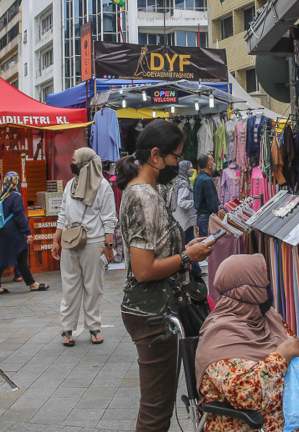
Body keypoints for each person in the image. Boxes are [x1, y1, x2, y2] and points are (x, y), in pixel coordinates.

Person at [117, 119, 214, 431]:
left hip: (153, 310)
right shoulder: (142, 196)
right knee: (156, 411)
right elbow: (144, 269)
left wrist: (186, 248)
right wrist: (188, 256)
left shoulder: (147, 191)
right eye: (176, 157)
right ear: (156, 155)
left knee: (159, 405)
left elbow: (155, 250)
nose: (179, 164)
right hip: (151, 313)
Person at [195, 254, 299, 432]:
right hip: (248, 424)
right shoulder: (220, 336)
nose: (268, 285)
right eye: (262, 281)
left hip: (293, 413)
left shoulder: (267, 316)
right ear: (245, 290)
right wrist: (282, 357)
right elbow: (248, 396)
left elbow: (297, 349)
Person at [52, 147, 116, 346]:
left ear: (84, 163)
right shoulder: (71, 184)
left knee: (93, 287)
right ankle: (67, 328)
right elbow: (63, 213)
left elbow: (108, 217)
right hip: (70, 241)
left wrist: (108, 244)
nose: (71, 163)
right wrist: (56, 239)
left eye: (74, 160)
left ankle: (94, 326)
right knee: (69, 286)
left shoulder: (103, 186)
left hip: (94, 242)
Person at [0, 172, 49, 295]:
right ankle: (32, 284)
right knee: (21, 255)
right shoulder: (15, 196)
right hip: (13, 232)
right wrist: (27, 232)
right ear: (15, 182)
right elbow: (19, 215)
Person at [193, 154, 220, 238]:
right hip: (206, 218)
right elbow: (213, 202)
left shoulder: (198, 178)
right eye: (213, 161)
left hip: (200, 217)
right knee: (209, 243)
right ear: (209, 165)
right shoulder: (207, 180)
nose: (214, 164)